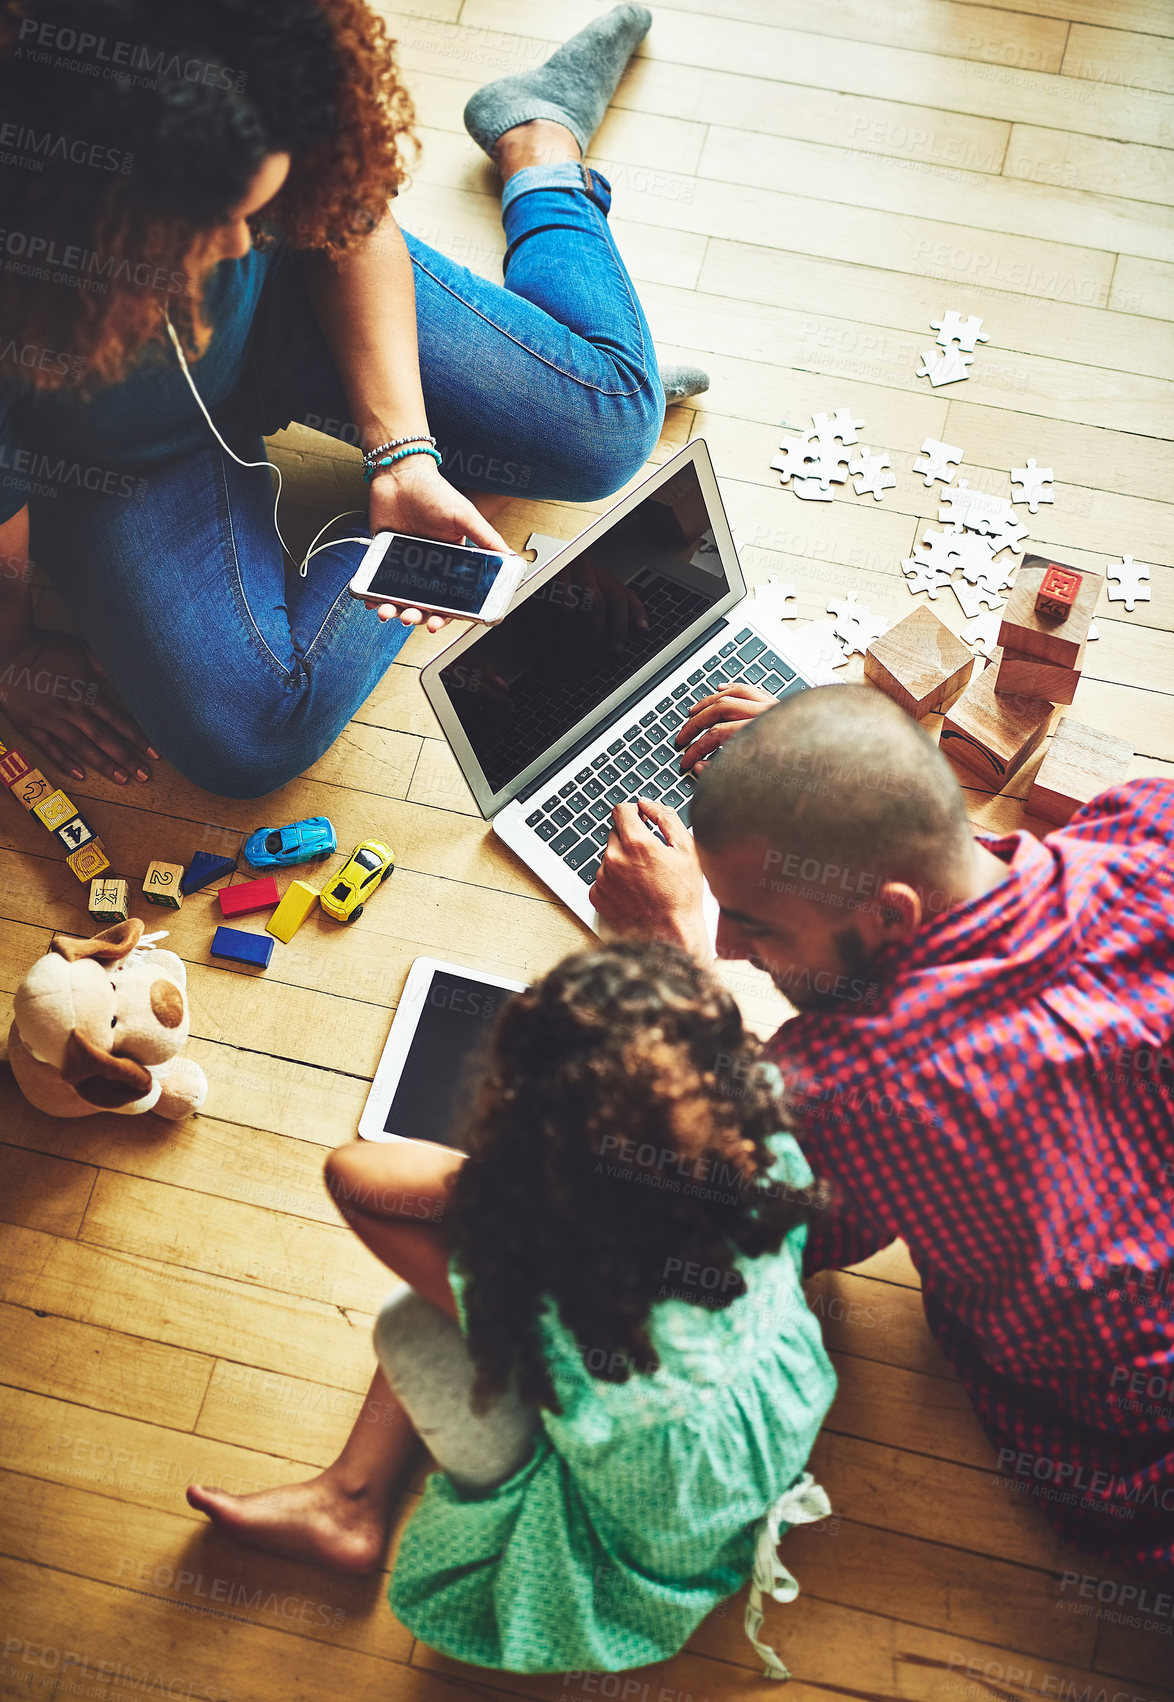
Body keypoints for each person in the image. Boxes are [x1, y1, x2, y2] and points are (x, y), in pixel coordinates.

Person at [0, 1, 702, 798]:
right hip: (103, 460)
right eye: (201, 225)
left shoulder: (260, 64)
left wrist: (405, 453)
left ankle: (538, 143)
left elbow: (348, 219)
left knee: (608, 432)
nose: (236, 245)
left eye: (258, 204)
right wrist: (12, 648)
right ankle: (490, 459)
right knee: (250, 741)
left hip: (284, 313)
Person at [589, 680, 1174, 1578]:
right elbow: (950, 866)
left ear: (894, 914)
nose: (737, 949)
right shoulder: (1148, 825)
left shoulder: (855, 1090)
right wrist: (844, 786)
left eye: (751, 924)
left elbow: (721, 1219)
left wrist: (673, 951)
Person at [188, 941, 837, 1678]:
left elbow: (355, 1175)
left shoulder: (562, 1311)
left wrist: (509, 1186)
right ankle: (350, 1496)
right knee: (475, 1270)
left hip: (631, 1552)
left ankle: (351, 1503)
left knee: (414, 1324)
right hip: (739, 1455)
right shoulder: (770, 1152)